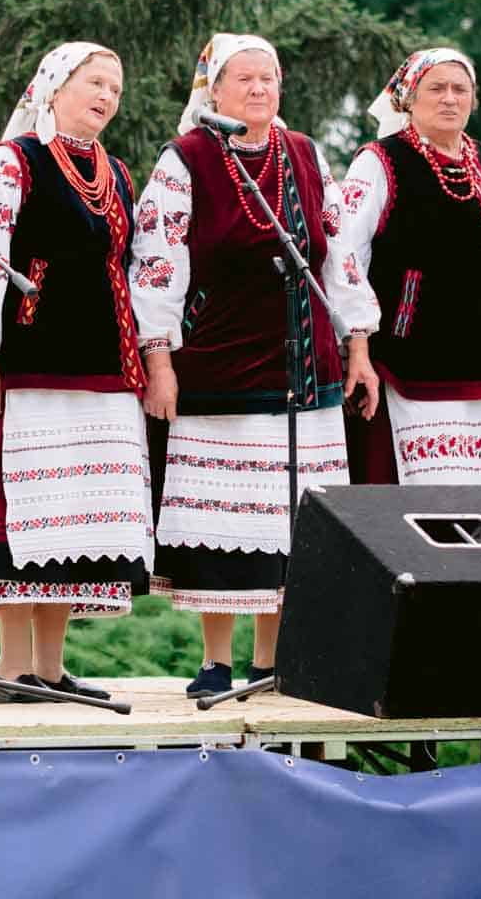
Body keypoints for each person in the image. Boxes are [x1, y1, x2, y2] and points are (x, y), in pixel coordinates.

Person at [131, 34, 350, 698]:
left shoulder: (305, 154)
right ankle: (215, 662)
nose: (259, 90)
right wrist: (160, 360)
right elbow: (157, 264)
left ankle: (272, 660)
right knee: (227, 525)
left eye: (268, 79)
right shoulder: (187, 159)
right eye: (244, 79)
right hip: (223, 366)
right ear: (213, 90)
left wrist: (358, 344)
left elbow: (337, 255)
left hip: (303, 364)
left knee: (291, 522)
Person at [0, 42, 152, 703]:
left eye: (115, 87)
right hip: (33, 367)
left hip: (101, 372)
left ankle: (52, 670)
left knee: (74, 524)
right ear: (55, 86)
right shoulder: (15, 161)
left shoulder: (115, 171)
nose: (106, 96)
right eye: (95, 81)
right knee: (25, 519)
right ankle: (12, 668)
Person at [330, 48, 481, 485]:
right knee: (439, 500)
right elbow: (346, 254)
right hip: (419, 358)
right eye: (437, 88)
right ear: (409, 98)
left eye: (460, 89)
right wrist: (357, 344)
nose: (450, 99)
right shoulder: (380, 161)